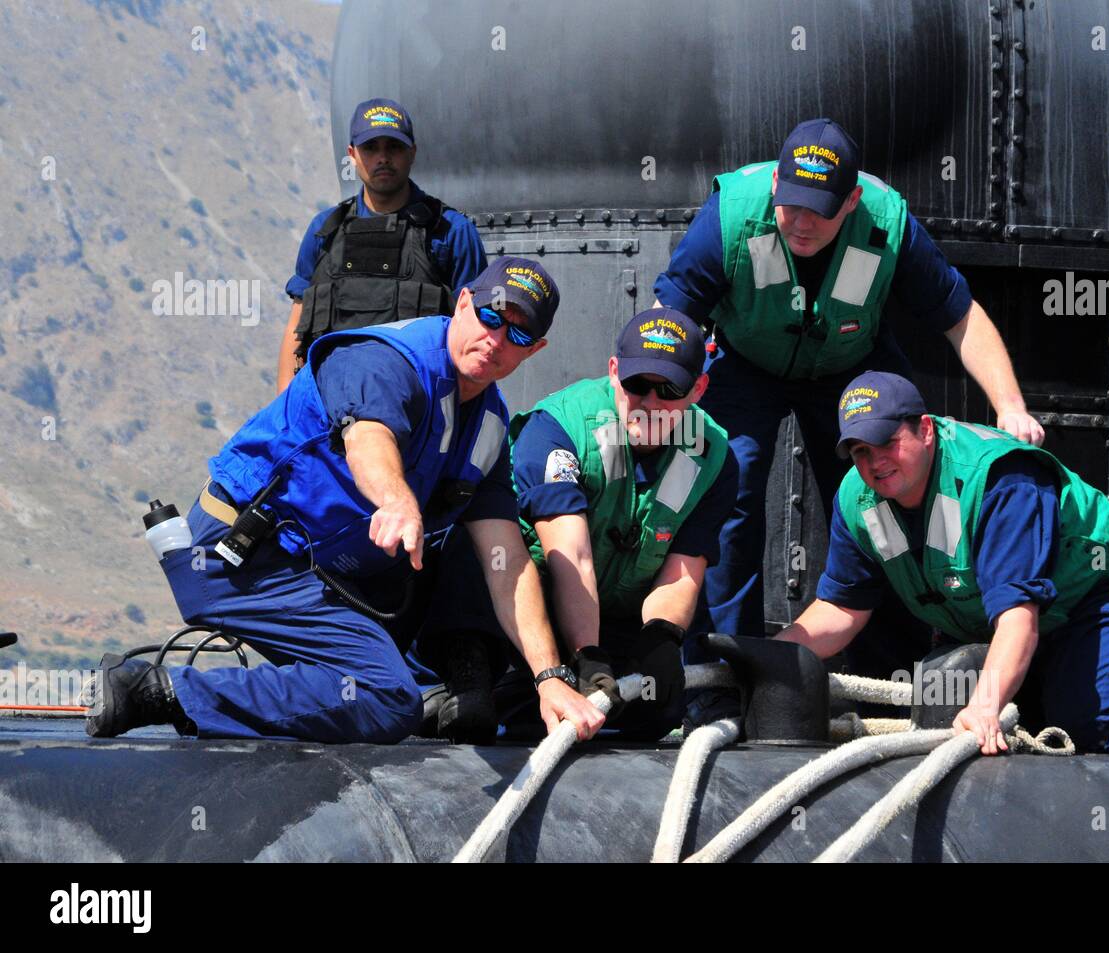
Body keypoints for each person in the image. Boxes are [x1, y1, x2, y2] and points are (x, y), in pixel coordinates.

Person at [85, 257, 605, 745]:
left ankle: (427, 692)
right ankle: (156, 691)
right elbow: (368, 436)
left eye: (518, 333)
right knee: (385, 695)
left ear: (534, 349)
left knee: (468, 569)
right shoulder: (383, 361)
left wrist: (550, 677)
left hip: (331, 574)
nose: (496, 339)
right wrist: (397, 501)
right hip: (241, 557)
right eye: (492, 315)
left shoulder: (489, 425)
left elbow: (508, 563)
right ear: (464, 302)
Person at [652, 118, 1045, 645]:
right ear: (774, 186)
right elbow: (668, 324)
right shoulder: (731, 214)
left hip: (849, 364)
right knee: (729, 486)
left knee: (892, 486)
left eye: (822, 209)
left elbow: (960, 316)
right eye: (792, 205)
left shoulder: (889, 223)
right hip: (745, 364)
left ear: (853, 199)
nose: (803, 223)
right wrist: (651, 406)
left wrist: (1010, 405)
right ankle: (728, 667)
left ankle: (895, 665)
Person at [774, 370, 1109, 756]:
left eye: (887, 443)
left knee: (1089, 719)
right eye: (860, 452)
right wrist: (774, 656)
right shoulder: (858, 500)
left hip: (1104, 584)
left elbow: (1017, 617)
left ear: (925, 430)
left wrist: (985, 706)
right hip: (992, 612)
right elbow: (842, 608)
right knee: (955, 697)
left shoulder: (1000, 482)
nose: (875, 463)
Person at [413, 309, 738, 741]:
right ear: (614, 371)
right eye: (636, 385)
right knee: (480, 550)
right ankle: (467, 683)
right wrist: (588, 656)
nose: (650, 404)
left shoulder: (713, 456)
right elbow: (572, 554)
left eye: (670, 390)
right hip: (530, 599)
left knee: (655, 711)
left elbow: (683, 568)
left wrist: (659, 642)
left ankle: (523, 697)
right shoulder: (559, 429)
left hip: (608, 607)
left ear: (698, 389)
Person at [276, 98, 488, 391]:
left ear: (412, 152)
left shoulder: (451, 231)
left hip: (419, 409)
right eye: (371, 147)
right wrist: (286, 414)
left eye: (394, 147)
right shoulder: (324, 231)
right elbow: (296, 328)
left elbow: (478, 333)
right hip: (326, 406)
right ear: (352, 154)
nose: (383, 158)